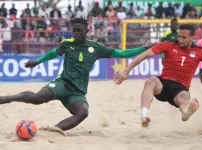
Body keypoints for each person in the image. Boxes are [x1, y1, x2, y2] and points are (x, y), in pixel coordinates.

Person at [0, 18, 150, 136]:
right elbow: (54, 53)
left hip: (77, 92)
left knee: (83, 112)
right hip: (63, 83)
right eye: (74, 31)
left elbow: (122, 54)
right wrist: (37, 62)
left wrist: (145, 48)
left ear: (87, 31)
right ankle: (8, 98)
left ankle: (54, 131)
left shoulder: (96, 48)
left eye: (79, 30)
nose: (76, 33)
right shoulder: (67, 44)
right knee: (37, 99)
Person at [114, 24, 202, 128]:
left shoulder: (201, 52)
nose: (180, 40)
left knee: (184, 98)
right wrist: (127, 70)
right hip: (163, 85)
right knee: (150, 81)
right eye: (179, 36)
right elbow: (144, 55)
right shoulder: (168, 45)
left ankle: (187, 112)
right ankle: (144, 117)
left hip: (180, 89)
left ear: (192, 38)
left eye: (184, 37)